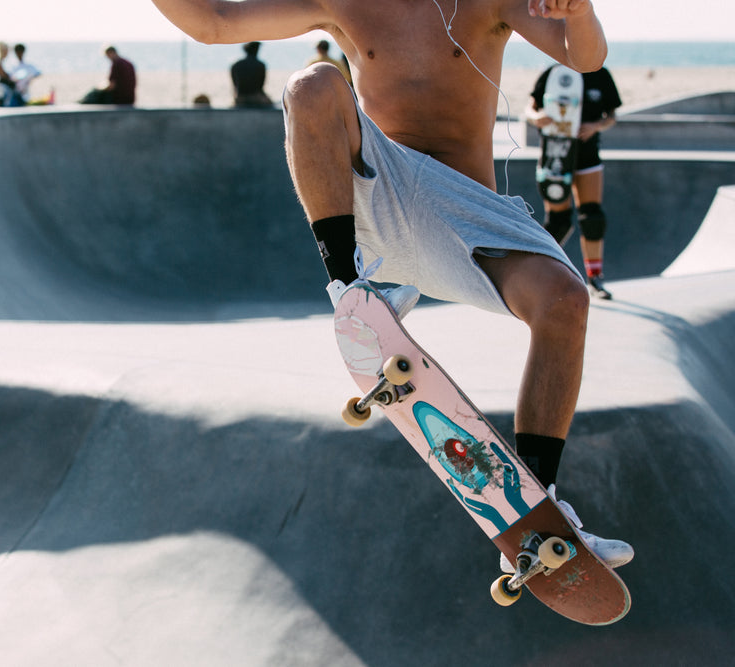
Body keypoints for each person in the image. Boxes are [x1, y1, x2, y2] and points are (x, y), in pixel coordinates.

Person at [149, 0, 633, 573]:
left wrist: (578, 12)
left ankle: (537, 513)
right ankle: (352, 293)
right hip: (378, 193)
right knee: (313, 85)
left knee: (565, 302)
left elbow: (585, 55)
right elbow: (214, 23)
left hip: (466, 210)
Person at [526, 65, 622, 299]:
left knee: (592, 217)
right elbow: (529, 109)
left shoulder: (600, 74)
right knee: (558, 221)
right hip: (556, 156)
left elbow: (612, 116)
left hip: (588, 155)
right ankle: (538, 277)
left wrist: (596, 126)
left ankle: (595, 279)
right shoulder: (552, 73)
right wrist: (537, 118)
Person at [230, 41, 271, 108]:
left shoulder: (236, 65)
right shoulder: (260, 65)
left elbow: (235, 85)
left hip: (240, 98)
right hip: (255, 97)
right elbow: (261, 86)